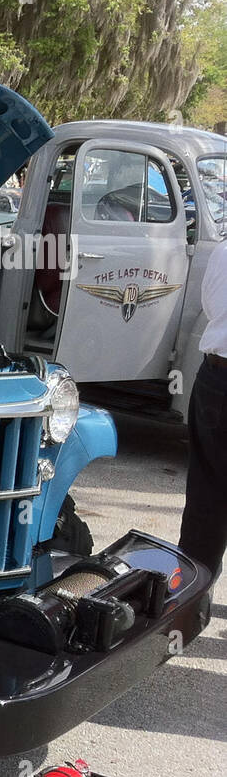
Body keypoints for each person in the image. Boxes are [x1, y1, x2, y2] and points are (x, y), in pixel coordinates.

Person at [179, 236, 227, 579]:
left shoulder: (224, 248)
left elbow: (212, 307)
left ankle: (190, 605)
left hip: (217, 374)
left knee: (206, 499)